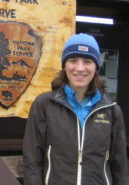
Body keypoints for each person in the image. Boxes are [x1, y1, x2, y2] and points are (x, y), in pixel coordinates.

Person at [23, 33, 128, 185]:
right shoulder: (44, 104)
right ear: (64, 65)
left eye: (87, 61)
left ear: (96, 66)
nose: (80, 68)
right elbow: (32, 160)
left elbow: (120, 166)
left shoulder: (111, 110)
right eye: (73, 61)